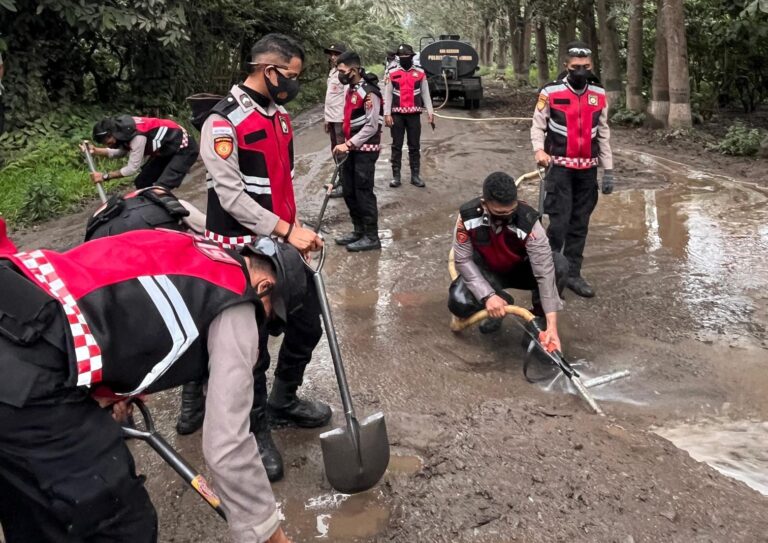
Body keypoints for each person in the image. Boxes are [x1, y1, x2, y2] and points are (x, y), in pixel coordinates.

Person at [0, 229, 301, 543]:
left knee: (34, 515)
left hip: (18, 295)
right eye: (268, 315)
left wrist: (105, 389)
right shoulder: (239, 304)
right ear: (265, 286)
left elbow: (119, 295)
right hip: (27, 361)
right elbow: (227, 446)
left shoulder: (196, 246)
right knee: (120, 523)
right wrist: (267, 531)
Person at [199, 33, 330, 482]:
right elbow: (232, 199)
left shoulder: (283, 119)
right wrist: (286, 230)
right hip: (240, 250)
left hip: (283, 244)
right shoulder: (222, 124)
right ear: (268, 71)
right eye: (291, 77)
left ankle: (284, 401)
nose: (294, 85)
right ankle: (256, 431)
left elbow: (283, 183)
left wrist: (294, 231)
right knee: (252, 348)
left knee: (307, 325)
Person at [83, 187, 210, 436]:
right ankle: (190, 410)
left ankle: (119, 418)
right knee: (200, 322)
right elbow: (213, 240)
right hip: (142, 254)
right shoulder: (181, 209)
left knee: (120, 335)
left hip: (103, 264)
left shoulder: (111, 214)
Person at [530, 41, 614, 298]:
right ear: (566, 65)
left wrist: (608, 170)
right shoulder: (550, 92)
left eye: (586, 67)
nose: (581, 71)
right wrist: (539, 150)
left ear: (591, 66)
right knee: (558, 224)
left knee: (580, 224)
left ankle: (573, 274)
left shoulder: (598, 94)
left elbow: (603, 133)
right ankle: (550, 277)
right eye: (576, 67)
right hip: (559, 170)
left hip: (587, 172)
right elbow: (537, 126)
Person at [448, 172, 569, 346]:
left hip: (522, 270)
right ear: (484, 203)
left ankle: (539, 320)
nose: (506, 216)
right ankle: (500, 299)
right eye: (499, 212)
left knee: (559, 265)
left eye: (511, 211)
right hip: (488, 272)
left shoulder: (529, 222)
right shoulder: (468, 216)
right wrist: (488, 296)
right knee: (459, 302)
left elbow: (545, 273)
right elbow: (463, 260)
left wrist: (552, 327)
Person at [332, 50, 383, 252]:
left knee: (363, 192)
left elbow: (371, 126)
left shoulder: (370, 92)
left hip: (365, 150)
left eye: (342, 70)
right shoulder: (352, 90)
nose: (339, 74)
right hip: (352, 149)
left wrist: (349, 144)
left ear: (353, 70)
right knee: (349, 191)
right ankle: (358, 231)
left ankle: (371, 236)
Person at [88, 115, 199, 191]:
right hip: (165, 150)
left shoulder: (138, 137)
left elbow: (131, 169)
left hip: (184, 148)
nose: (106, 145)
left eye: (106, 142)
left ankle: (172, 217)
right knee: (142, 182)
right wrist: (97, 151)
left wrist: (105, 176)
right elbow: (122, 151)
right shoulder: (122, 130)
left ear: (111, 134)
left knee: (161, 188)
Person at [384, 43, 434, 188]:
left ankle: (415, 176)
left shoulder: (420, 72)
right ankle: (396, 177)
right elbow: (387, 94)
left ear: (412, 57)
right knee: (396, 146)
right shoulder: (391, 72)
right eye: (402, 56)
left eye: (407, 56)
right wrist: (387, 114)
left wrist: (430, 112)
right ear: (398, 58)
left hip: (414, 116)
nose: (405, 58)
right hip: (397, 115)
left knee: (414, 146)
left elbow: (425, 93)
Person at [323, 42, 347, 199]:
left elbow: (346, 97)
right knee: (335, 151)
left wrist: (345, 120)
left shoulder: (344, 74)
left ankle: (345, 185)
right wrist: (326, 119)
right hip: (332, 118)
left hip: (340, 119)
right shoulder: (333, 72)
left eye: (336, 54)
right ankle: (340, 179)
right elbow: (329, 98)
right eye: (331, 54)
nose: (333, 57)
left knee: (341, 151)